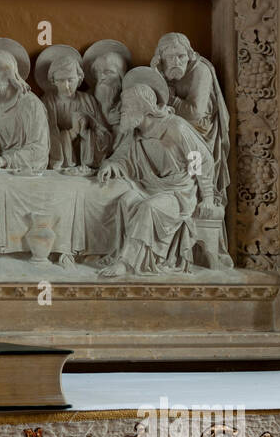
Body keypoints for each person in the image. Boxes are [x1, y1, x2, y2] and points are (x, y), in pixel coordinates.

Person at [96, 67, 216, 278]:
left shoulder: (175, 128)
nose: (121, 111)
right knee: (126, 201)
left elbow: (201, 161)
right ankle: (119, 253)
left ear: (141, 107)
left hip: (178, 193)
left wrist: (207, 198)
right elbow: (120, 158)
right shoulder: (135, 132)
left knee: (148, 208)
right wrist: (110, 166)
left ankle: (126, 263)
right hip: (150, 187)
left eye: (125, 107)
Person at [151, 32, 229, 203]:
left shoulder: (200, 71)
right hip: (176, 129)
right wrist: (155, 75)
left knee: (190, 152)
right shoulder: (163, 72)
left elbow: (194, 113)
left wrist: (171, 99)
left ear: (189, 55)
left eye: (181, 56)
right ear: (161, 58)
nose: (177, 62)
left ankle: (201, 195)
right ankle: (173, 190)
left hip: (200, 131)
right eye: (170, 57)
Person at [0, 38, 48, 171]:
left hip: (23, 170)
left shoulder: (31, 104)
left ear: (7, 72)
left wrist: (5, 161)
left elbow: (39, 149)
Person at [37, 44, 111, 169]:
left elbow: (104, 135)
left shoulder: (88, 100)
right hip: (59, 161)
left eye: (70, 80)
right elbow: (44, 135)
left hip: (83, 161)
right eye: (60, 80)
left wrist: (87, 132)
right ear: (53, 81)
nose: (66, 86)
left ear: (79, 78)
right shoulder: (47, 102)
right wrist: (71, 133)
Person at [84, 39, 133, 145]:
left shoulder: (128, 98)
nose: (101, 77)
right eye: (98, 72)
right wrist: (106, 118)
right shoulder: (87, 98)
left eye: (108, 72)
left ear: (120, 75)